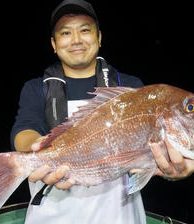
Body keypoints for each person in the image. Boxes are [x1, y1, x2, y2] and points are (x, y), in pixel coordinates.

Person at [11, 0, 194, 223]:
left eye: (85, 30)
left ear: (99, 37)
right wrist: (38, 150)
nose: (76, 40)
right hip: (52, 215)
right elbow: (24, 129)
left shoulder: (130, 86)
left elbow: (152, 157)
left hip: (119, 216)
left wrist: (176, 170)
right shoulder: (36, 87)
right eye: (66, 33)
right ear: (54, 43)